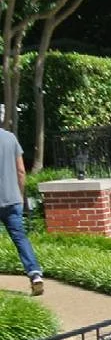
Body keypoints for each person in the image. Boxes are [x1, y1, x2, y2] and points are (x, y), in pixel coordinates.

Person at [0, 126, 44, 295]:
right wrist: (19, 195)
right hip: (12, 200)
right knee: (20, 239)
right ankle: (35, 274)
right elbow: (21, 170)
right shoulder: (10, 138)